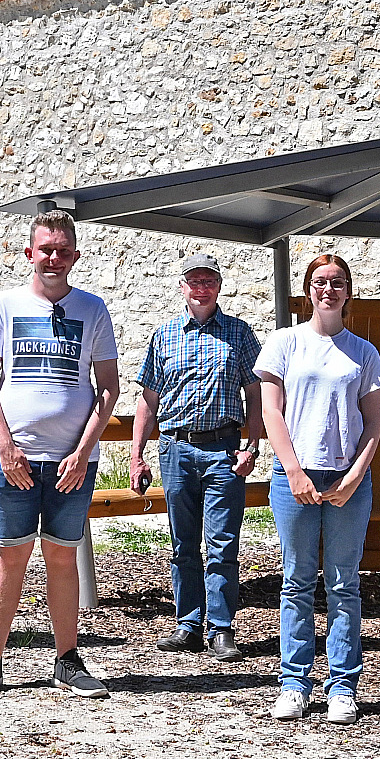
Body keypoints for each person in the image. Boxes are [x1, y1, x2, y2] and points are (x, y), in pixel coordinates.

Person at [0, 211, 120, 701]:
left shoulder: (93, 309)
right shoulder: (5, 306)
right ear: (29, 253)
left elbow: (107, 388)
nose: (53, 258)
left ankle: (66, 660)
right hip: (13, 460)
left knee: (62, 559)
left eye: (63, 250)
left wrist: (84, 451)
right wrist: (4, 445)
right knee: (11, 556)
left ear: (75, 256)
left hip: (71, 464)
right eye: (45, 248)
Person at [257, 253, 380, 725]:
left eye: (337, 282)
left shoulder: (364, 352)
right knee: (295, 581)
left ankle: (343, 687)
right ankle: (294, 684)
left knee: (344, 583)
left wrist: (355, 474)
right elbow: (273, 413)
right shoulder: (284, 343)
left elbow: (373, 423)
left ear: (348, 291)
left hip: (347, 477)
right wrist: (292, 470)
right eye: (319, 281)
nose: (328, 289)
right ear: (307, 289)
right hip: (295, 476)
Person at [129, 253, 265, 662]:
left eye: (209, 281)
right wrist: (137, 456)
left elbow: (256, 394)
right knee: (182, 544)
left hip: (224, 449)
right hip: (176, 449)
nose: (201, 288)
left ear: (219, 287)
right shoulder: (164, 335)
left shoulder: (240, 334)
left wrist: (252, 446)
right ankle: (188, 624)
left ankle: (221, 628)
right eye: (194, 281)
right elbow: (147, 400)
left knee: (223, 544)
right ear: (183, 287)